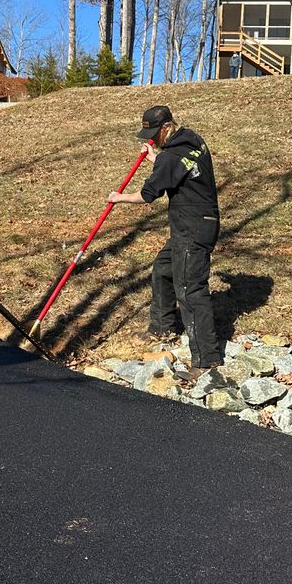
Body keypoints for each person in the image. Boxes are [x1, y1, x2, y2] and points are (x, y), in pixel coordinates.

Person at [107, 105, 221, 383]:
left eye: (153, 133)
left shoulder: (171, 155)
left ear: (167, 128)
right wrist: (156, 158)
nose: (150, 138)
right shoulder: (191, 140)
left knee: (190, 289)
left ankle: (207, 360)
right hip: (198, 221)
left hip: (192, 227)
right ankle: (163, 326)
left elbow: (148, 195)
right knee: (163, 268)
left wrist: (118, 198)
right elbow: (178, 168)